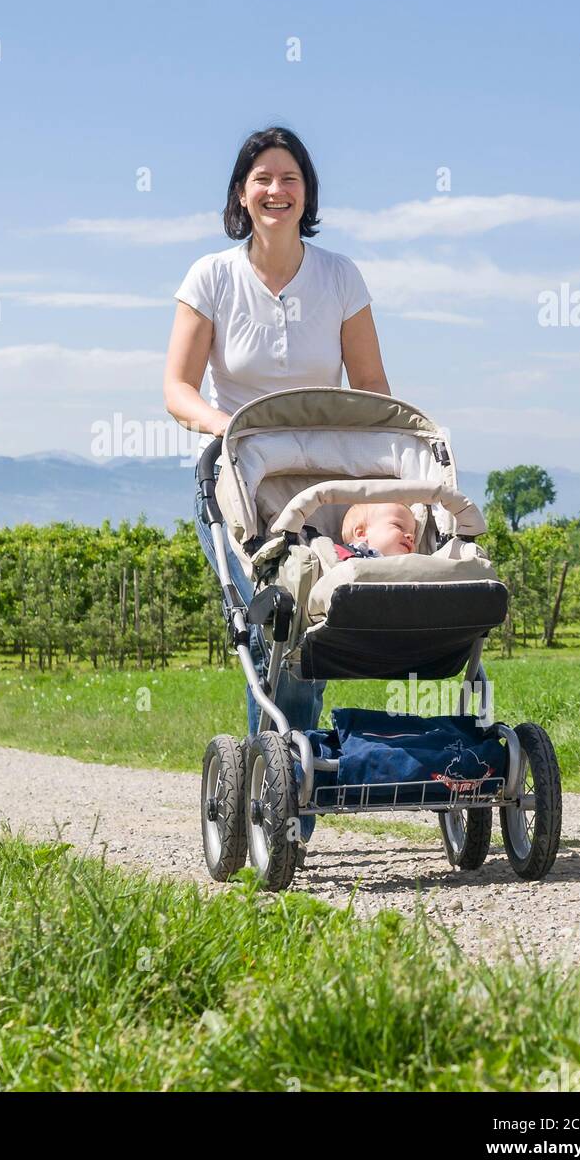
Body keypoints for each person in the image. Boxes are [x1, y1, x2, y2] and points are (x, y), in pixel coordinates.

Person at [163, 125, 392, 844]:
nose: (275, 189)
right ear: (241, 193)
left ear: (306, 193)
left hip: (326, 483)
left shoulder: (340, 278)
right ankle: (281, 789)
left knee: (313, 617)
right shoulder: (211, 278)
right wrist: (225, 425)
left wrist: (390, 475)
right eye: (262, 177)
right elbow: (176, 387)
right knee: (275, 625)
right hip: (243, 481)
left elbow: (372, 386)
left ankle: (278, 785)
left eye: (289, 177)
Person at [337, 502, 418, 558]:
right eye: (398, 526)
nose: (410, 537)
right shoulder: (343, 555)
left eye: (413, 537)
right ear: (362, 533)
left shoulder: (413, 565)